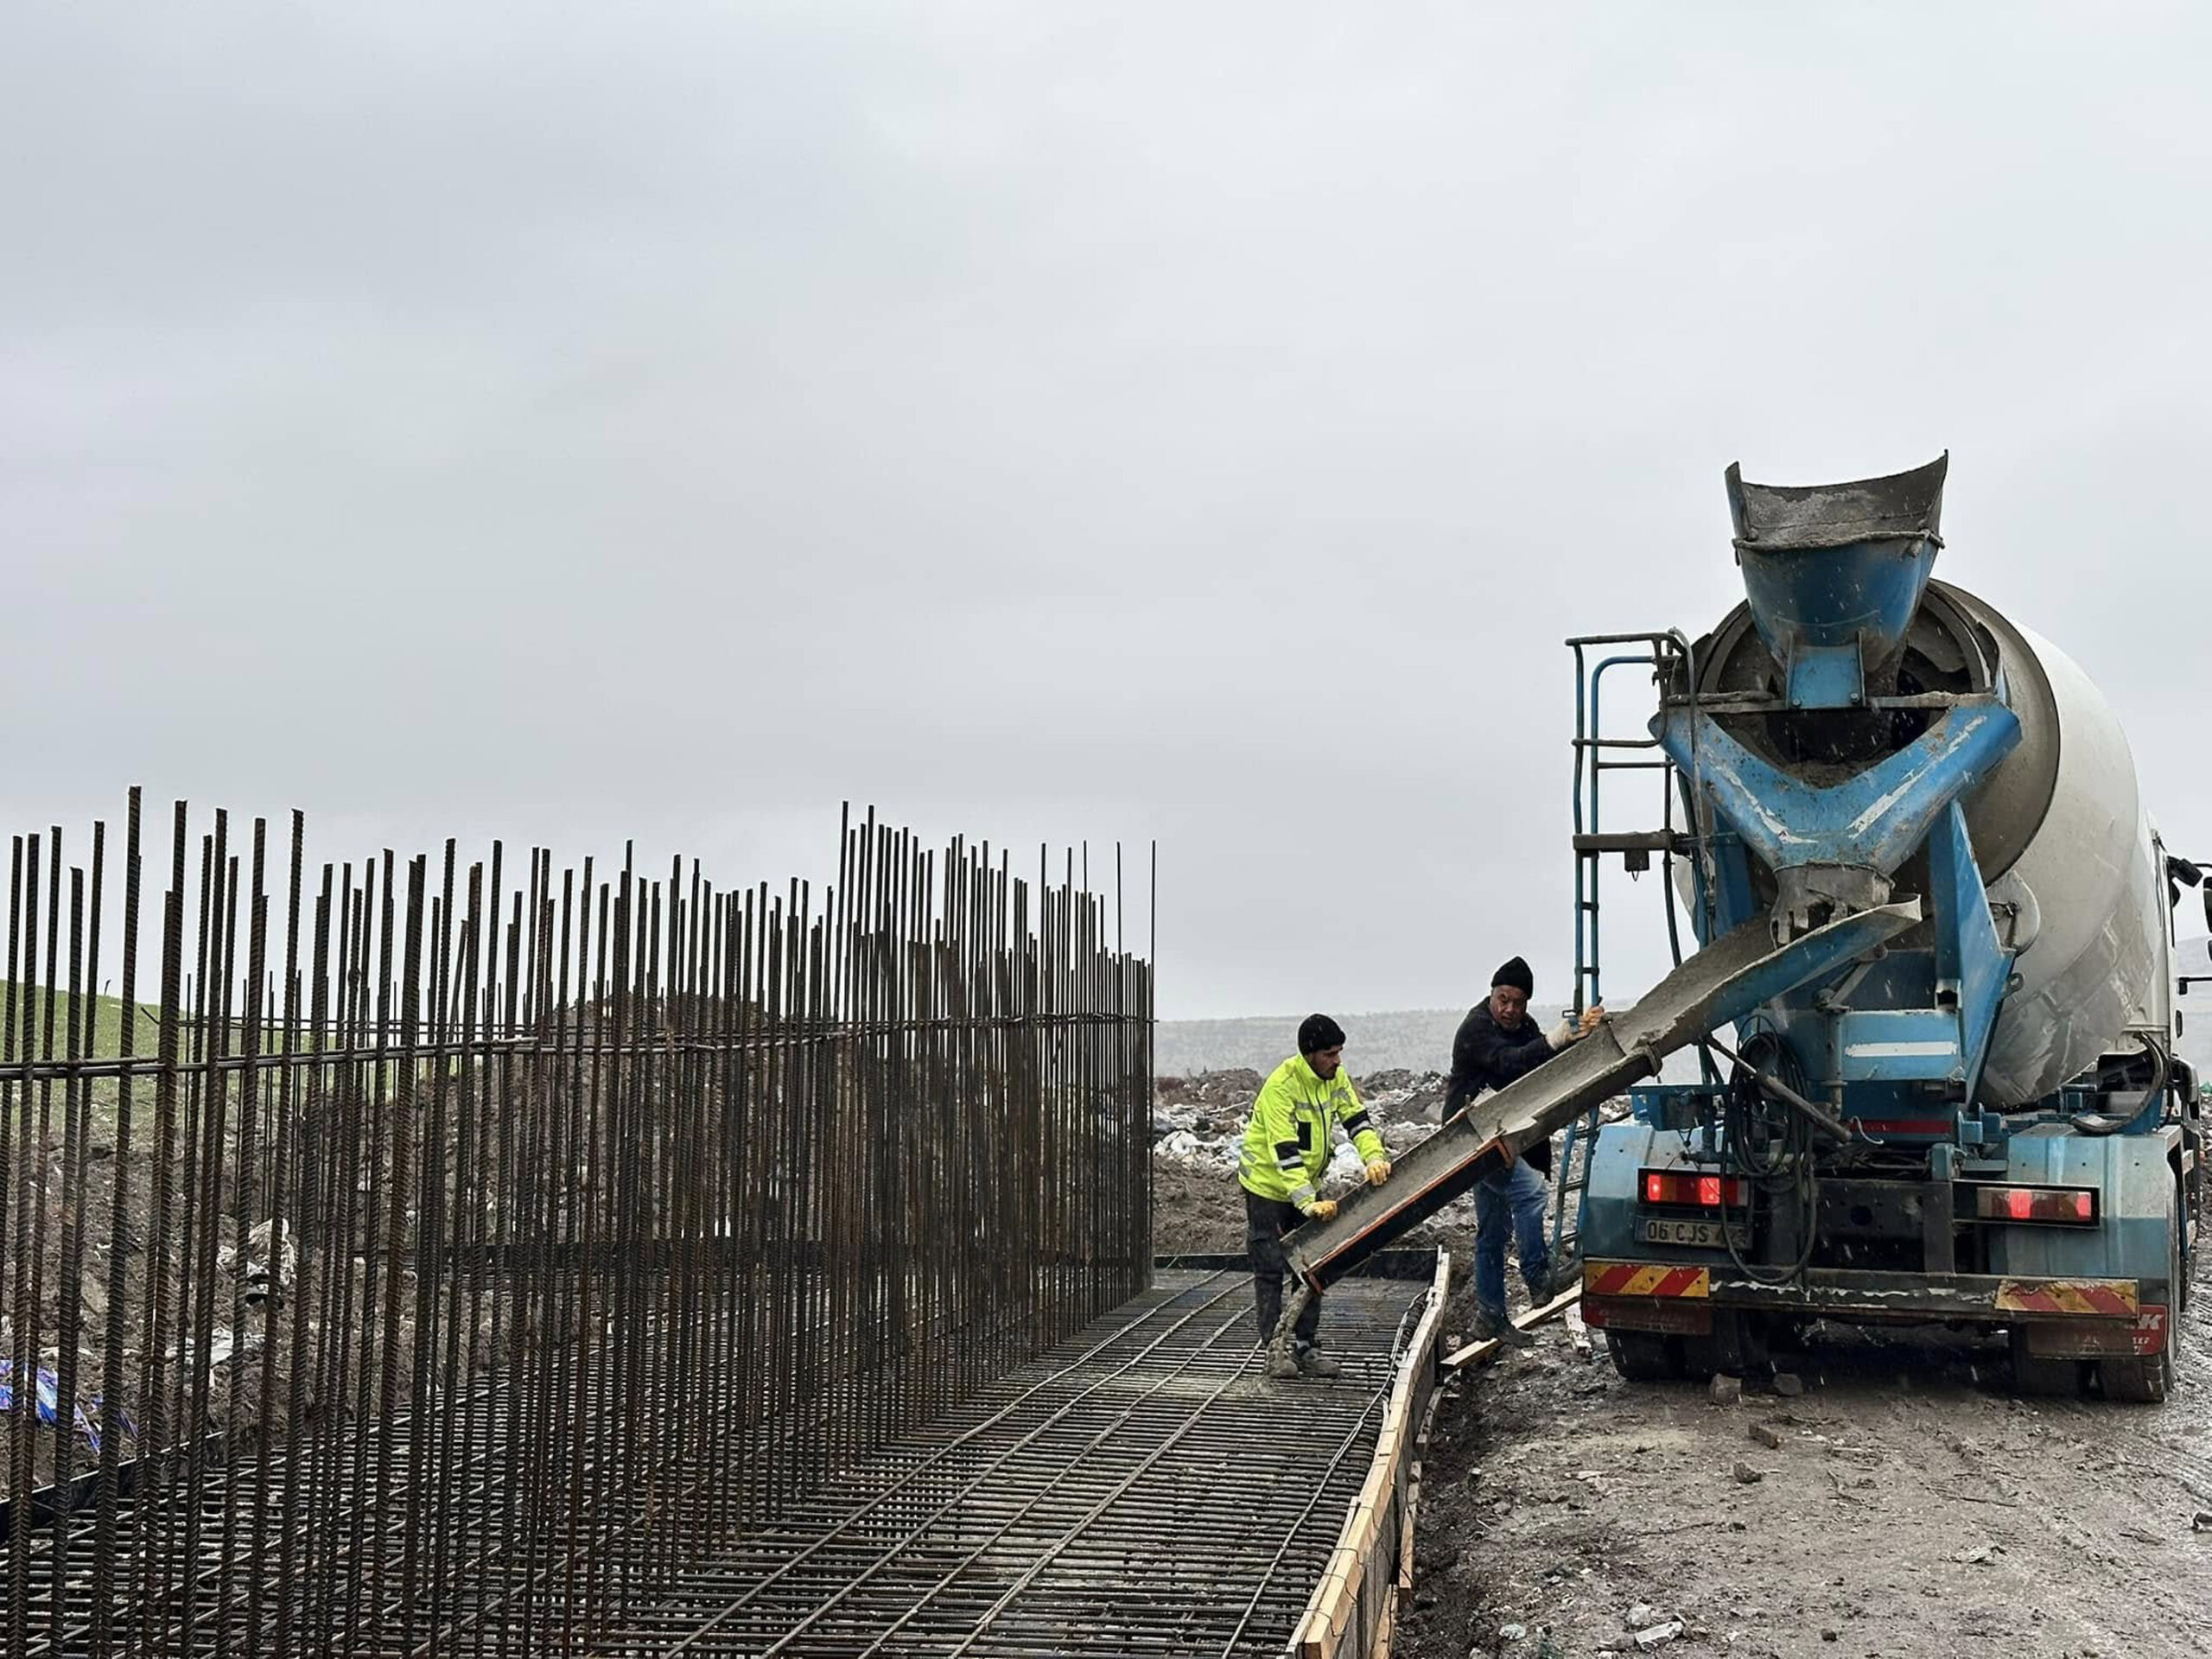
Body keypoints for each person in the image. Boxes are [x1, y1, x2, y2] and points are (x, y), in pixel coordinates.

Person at [1446, 957, 1602, 1346]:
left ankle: (1490, 1316)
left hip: (1507, 1136)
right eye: (1503, 1000)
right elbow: (1509, 1063)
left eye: (1518, 1002)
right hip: (1472, 1138)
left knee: (1493, 1231)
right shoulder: (1476, 1029)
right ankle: (1538, 1277)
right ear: (1492, 994)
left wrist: (1579, 1038)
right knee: (1530, 1194)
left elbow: (1542, 1066)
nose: (1510, 1010)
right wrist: (1555, 1039)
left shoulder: (1525, 1027)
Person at [1237, 1013, 1393, 1379]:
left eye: (1339, 1052)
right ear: (1309, 1055)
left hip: (1305, 1184)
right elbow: (1285, 1151)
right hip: (1267, 1187)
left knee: (1313, 1266)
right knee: (1270, 1267)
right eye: (1330, 1054)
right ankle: (1274, 1351)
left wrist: (1374, 1156)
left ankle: (1307, 1347)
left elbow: (1356, 1119)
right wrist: (1307, 1202)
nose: (1337, 1061)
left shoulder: (1334, 1078)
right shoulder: (1281, 1087)